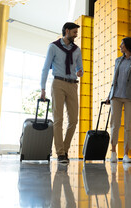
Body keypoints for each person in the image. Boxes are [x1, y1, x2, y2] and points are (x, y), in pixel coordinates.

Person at [40, 22, 83, 163]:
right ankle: (60, 153)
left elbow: (79, 68)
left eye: (77, 32)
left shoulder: (77, 50)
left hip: (72, 85)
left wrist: (80, 71)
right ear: (67, 31)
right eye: (74, 32)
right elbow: (46, 68)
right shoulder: (53, 47)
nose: (76, 35)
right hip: (58, 83)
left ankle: (64, 149)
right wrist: (43, 88)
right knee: (58, 119)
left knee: (74, 120)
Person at [106, 37, 131, 163]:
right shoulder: (118, 60)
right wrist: (109, 95)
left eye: (122, 44)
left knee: (128, 126)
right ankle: (113, 152)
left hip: (130, 97)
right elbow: (114, 80)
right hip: (115, 96)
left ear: (128, 45)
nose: (120, 46)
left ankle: (126, 154)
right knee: (114, 125)